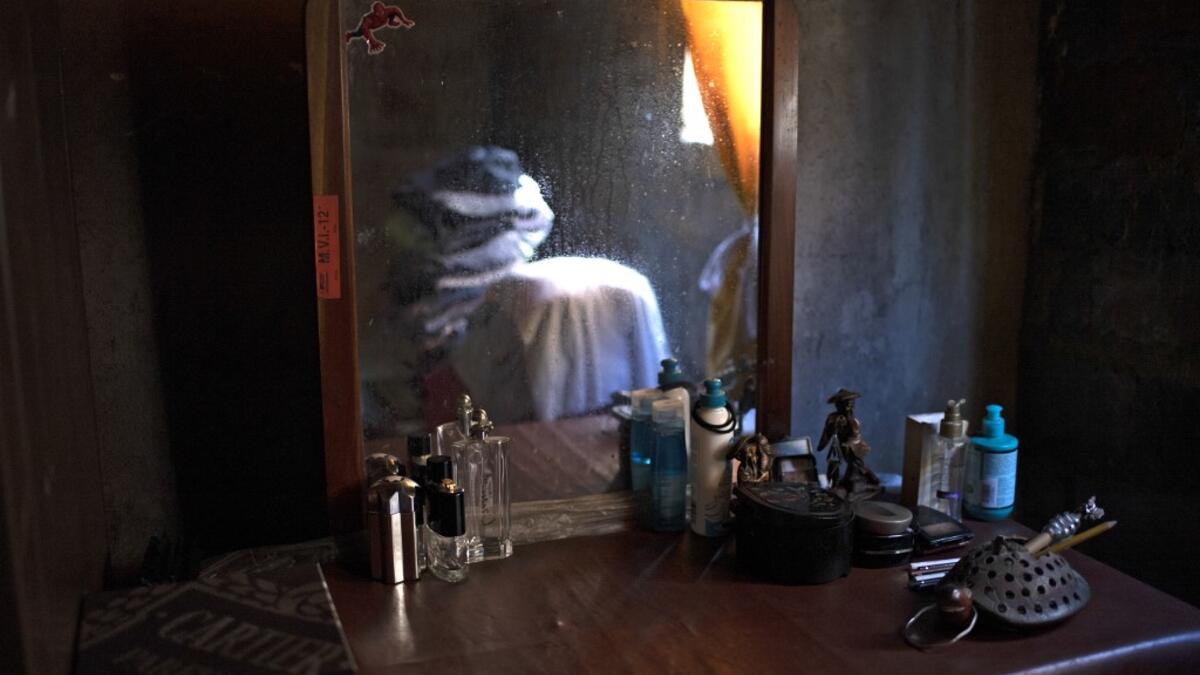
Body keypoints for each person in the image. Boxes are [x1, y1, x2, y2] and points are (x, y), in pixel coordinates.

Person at [816, 388, 881, 500]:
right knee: (852, 463)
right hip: (843, 445)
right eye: (845, 404)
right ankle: (862, 479)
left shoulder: (853, 420)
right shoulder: (835, 417)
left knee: (856, 463)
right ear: (838, 405)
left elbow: (856, 434)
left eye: (850, 403)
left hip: (854, 445)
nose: (848, 406)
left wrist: (851, 443)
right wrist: (825, 442)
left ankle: (867, 479)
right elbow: (827, 433)